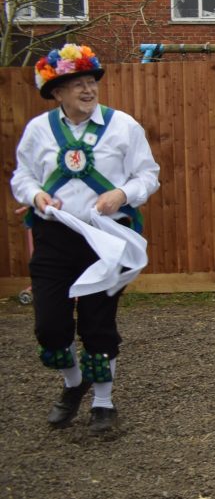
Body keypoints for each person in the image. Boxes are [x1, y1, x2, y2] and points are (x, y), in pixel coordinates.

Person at [10, 43, 160, 437]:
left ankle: (103, 403)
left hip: (105, 239)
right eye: (77, 84)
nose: (88, 89)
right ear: (57, 92)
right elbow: (22, 176)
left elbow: (148, 176)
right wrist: (36, 196)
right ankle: (75, 383)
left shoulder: (123, 126)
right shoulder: (39, 130)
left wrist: (121, 194)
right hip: (54, 236)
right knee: (50, 327)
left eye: (91, 81)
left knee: (98, 324)